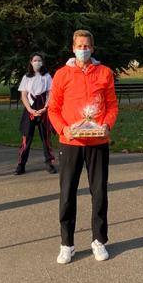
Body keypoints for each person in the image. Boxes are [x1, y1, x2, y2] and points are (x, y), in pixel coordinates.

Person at [48, 29, 118, 265]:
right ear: (73, 48)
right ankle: (66, 244)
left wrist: (107, 125)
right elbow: (53, 109)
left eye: (87, 46)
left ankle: (99, 240)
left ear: (93, 48)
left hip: (97, 141)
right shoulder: (61, 75)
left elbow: (112, 105)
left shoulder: (105, 73)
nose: (83, 49)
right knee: (67, 193)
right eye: (80, 46)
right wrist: (63, 129)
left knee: (99, 193)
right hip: (71, 142)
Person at [14, 53, 55, 175]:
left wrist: (45, 107)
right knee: (27, 138)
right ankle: (21, 164)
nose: (37, 62)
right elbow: (23, 95)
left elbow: (50, 93)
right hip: (30, 109)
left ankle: (49, 163)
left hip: (43, 108)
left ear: (42, 62)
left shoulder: (47, 76)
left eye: (39, 60)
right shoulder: (26, 77)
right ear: (31, 62)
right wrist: (30, 109)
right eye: (35, 60)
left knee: (46, 138)